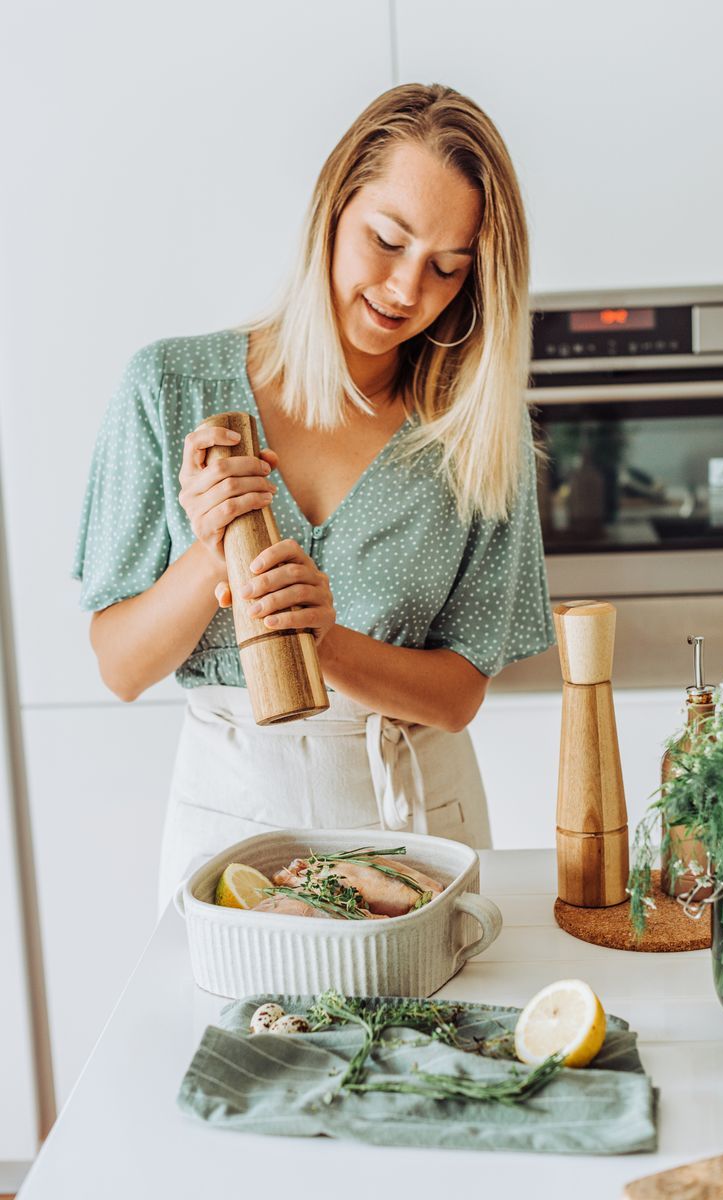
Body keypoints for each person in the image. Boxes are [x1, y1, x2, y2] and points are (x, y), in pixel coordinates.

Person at [72, 83, 556, 911]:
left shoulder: (475, 429)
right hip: (232, 827)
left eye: (446, 268)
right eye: (388, 240)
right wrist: (212, 543)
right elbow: (119, 666)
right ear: (336, 206)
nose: (407, 288)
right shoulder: (172, 385)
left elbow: (459, 694)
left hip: (418, 827)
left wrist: (325, 644)